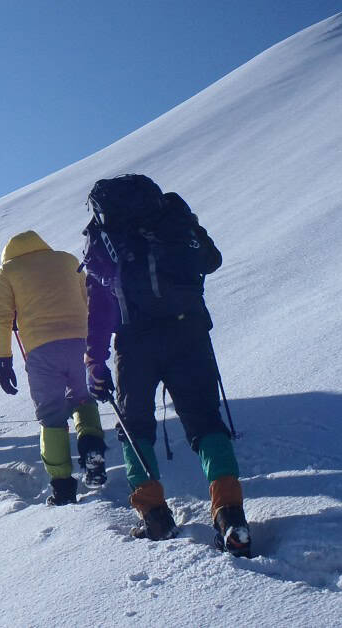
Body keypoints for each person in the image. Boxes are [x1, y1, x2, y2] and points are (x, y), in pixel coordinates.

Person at [82, 175, 248, 555]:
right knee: (206, 421)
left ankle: (153, 515)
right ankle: (230, 514)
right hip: (188, 332)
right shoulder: (172, 218)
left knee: (135, 427)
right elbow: (212, 259)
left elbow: (100, 306)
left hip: (134, 342)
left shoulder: (104, 237)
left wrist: (95, 359)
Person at [0, 230, 108, 506]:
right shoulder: (67, 260)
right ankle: (92, 449)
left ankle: (62, 487)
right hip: (81, 342)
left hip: (41, 351)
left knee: (51, 415)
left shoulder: (7, 272)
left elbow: (0, 318)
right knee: (84, 397)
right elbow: (88, 300)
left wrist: (2, 358)